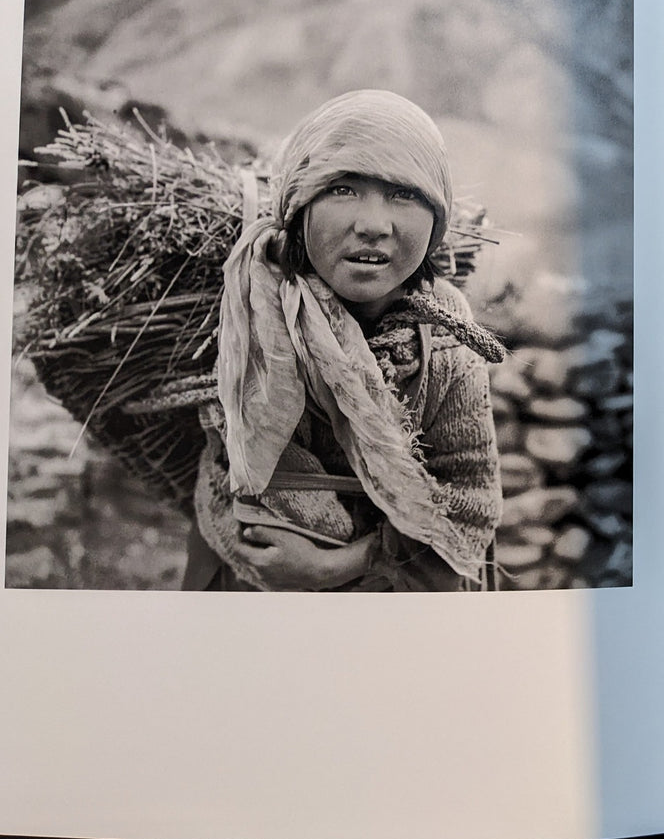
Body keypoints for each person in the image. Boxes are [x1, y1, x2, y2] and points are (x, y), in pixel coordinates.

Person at [183, 89, 504, 591]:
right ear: (298, 206)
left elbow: (470, 503)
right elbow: (227, 473)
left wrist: (334, 567)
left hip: (393, 601)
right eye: (342, 190)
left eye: (405, 194)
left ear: (437, 219)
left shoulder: (445, 338)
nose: (373, 225)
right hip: (249, 595)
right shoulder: (245, 306)